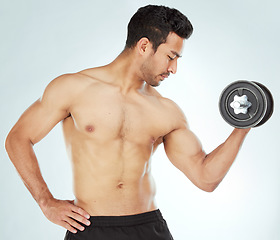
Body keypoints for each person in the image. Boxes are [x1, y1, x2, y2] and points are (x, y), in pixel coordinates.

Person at [5, 4, 250, 240]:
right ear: (144, 46)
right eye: (170, 57)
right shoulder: (73, 88)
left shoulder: (166, 111)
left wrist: (244, 125)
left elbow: (205, 178)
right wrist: (45, 201)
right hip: (90, 226)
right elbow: (18, 138)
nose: (173, 69)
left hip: (149, 227)